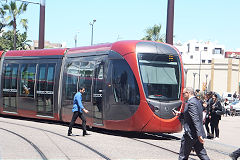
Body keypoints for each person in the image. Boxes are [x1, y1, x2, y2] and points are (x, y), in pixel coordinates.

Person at [174, 87, 210, 160]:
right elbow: (192, 116)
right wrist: (180, 115)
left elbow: (195, 119)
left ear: (188, 93)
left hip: (190, 134)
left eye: (183, 94)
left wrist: (199, 135)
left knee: (183, 156)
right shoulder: (197, 101)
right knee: (202, 154)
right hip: (195, 134)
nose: (183, 95)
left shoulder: (191, 103)